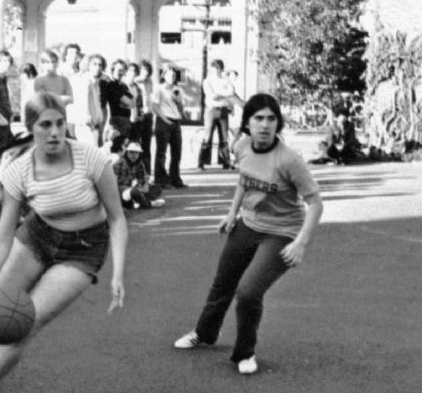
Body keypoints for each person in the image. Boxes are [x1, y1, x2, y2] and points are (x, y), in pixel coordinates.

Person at [0, 92, 128, 393]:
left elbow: (117, 219)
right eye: (45, 125)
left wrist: (118, 275)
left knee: (21, 324)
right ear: (30, 128)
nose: (54, 133)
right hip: (36, 236)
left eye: (59, 123)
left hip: (82, 250)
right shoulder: (19, 169)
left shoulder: (91, 159)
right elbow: (4, 236)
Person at [174, 93, 324, 375]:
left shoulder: (289, 161)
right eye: (258, 118)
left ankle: (245, 352)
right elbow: (244, 181)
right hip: (248, 224)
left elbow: (316, 204)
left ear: (278, 123)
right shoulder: (243, 146)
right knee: (223, 283)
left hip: (282, 233)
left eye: (271, 119)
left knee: (248, 292)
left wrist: (301, 243)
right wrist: (232, 213)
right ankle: (205, 333)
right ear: (247, 124)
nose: (265, 125)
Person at [198, 60, 238, 170]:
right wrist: (224, 95)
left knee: (224, 137)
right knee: (208, 136)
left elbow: (231, 93)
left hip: (224, 110)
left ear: (221, 69)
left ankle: (225, 161)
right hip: (211, 110)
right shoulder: (207, 81)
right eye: (213, 68)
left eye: (217, 68)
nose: (215, 71)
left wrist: (231, 106)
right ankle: (202, 162)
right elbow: (212, 96)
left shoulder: (226, 81)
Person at [152, 64, 186, 189]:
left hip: (176, 121)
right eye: (169, 74)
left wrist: (178, 101)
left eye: (173, 74)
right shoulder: (159, 89)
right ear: (164, 75)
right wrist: (165, 119)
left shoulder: (178, 90)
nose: (171, 76)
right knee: (162, 152)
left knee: (177, 152)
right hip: (163, 120)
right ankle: (161, 180)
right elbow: (154, 106)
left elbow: (182, 109)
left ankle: (175, 178)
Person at [113, 142, 165, 209]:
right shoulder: (119, 164)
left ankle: (139, 202)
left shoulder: (139, 163)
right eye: (131, 152)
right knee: (134, 192)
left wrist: (142, 187)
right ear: (127, 152)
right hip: (120, 193)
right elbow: (116, 184)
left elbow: (143, 180)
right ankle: (148, 204)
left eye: (136, 152)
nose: (134, 155)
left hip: (133, 189)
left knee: (157, 188)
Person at [102, 59, 134, 141]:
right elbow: (128, 102)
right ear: (113, 70)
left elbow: (133, 104)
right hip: (115, 121)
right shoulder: (110, 84)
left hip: (126, 121)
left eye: (123, 70)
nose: (121, 73)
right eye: (119, 70)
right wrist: (126, 102)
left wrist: (126, 102)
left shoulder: (124, 86)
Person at [136, 59, 154, 174]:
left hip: (149, 114)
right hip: (139, 114)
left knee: (147, 145)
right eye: (143, 69)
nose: (145, 72)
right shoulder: (136, 81)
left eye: (147, 69)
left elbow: (150, 97)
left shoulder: (149, 82)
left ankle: (147, 173)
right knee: (137, 145)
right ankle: (137, 172)